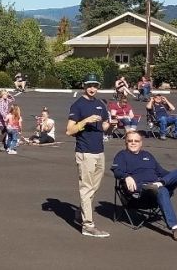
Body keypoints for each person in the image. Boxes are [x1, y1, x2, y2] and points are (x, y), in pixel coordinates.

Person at [111, 131, 177, 241]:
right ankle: (175, 228)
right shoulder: (122, 155)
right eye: (130, 141)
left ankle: (160, 184)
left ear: (141, 143)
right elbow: (116, 171)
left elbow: (162, 172)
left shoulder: (147, 155)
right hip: (141, 193)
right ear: (125, 143)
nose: (133, 143)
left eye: (136, 141)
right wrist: (126, 176)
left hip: (158, 186)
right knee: (162, 190)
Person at [66, 74, 111, 238]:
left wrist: (111, 124)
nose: (93, 89)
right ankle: (88, 225)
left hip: (99, 151)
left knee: (94, 187)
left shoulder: (100, 104)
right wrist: (86, 121)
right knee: (86, 188)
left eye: (95, 86)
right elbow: (69, 130)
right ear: (84, 86)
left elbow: (104, 126)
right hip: (85, 152)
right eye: (89, 85)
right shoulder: (77, 105)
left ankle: (80, 212)